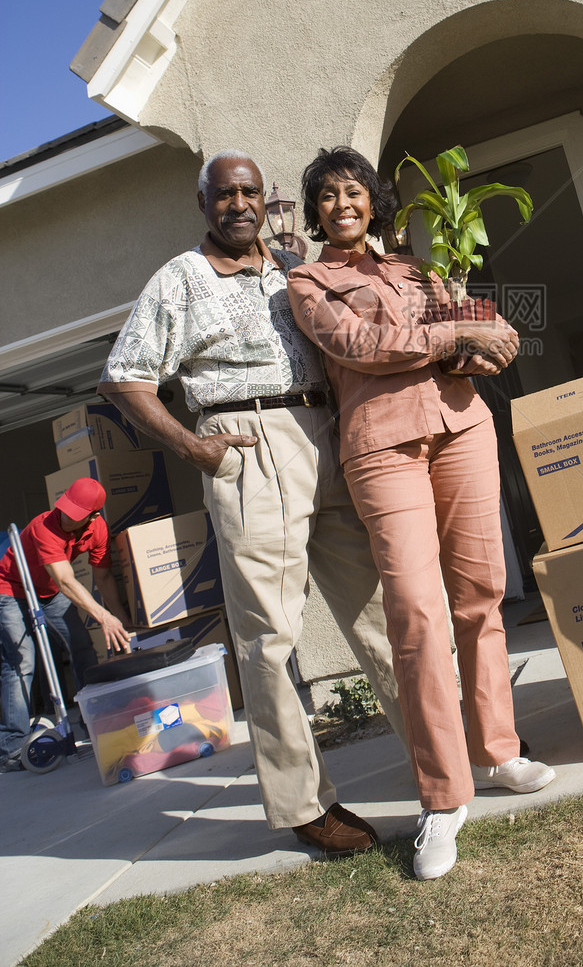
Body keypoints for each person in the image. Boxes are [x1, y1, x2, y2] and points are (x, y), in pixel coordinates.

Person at [97, 151, 402, 857]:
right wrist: (190, 445)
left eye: (250, 192)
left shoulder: (292, 265)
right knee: (269, 638)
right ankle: (305, 805)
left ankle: (440, 748)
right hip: (246, 444)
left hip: (325, 430)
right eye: (224, 193)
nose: (239, 203)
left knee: (380, 609)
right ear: (203, 203)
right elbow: (125, 376)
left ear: (266, 199)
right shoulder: (180, 279)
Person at [288, 146, 556, 881]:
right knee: (414, 613)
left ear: (373, 202)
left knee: (480, 597)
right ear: (316, 212)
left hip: (463, 427)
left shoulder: (416, 269)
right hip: (381, 446)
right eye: (328, 196)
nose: (343, 204)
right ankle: (442, 797)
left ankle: (498, 750)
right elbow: (360, 345)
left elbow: (479, 328)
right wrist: (451, 337)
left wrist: (485, 336)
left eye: (354, 192)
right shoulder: (309, 281)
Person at [0, 477, 132, 771]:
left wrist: (120, 619)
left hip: (48, 592)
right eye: (65, 507)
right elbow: (65, 579)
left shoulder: (97, 529)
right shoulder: (44, 526)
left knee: (82, 644)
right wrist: (103, 616)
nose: (66, 515)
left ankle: (92, 720)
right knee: (22, 660)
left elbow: (104, 578)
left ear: (93, 516)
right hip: (10, 588)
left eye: (75, 512)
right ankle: (10, 749)